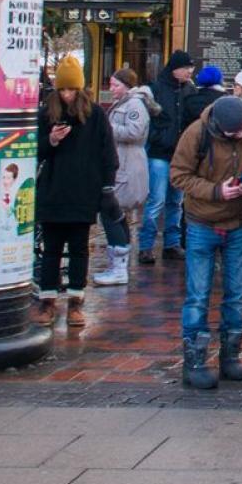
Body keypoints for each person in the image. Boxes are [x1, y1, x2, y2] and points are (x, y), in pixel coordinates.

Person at [170, 90, 242, 389]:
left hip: (240, 221)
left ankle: (230, 357)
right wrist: (216, 191)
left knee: (236, 294)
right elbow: (179, 175)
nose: (238, 136)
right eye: (231, 133)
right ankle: (195, 362)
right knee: (198, 295)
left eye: (241, 132)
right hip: (202, 222)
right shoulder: (197, 132)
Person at [36, 54, 120, 329]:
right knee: (51, 249)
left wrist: (106, 186)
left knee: (79, 249)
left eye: (71, 89)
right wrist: (51, 140)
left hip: (84, 191)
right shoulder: (47, 113)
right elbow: (34, 152)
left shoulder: (94, 115)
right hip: (53, 190)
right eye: (62, 89)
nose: (67, 94)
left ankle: (75, 301)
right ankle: (47, 300)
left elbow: (108, 152)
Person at [92, 68, 150, 287]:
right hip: (122, 164)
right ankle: (118, 265)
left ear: (126, 85)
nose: (111, 88)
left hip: (127, 165)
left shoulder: (134, 104)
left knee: (112, 212)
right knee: (117, 214)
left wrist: (107, 128)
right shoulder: (124, 103)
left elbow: (134, 132)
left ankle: (118, 267)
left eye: (115, 84)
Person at [139, 50, 196, 264]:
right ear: (175, 69)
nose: (190, 72)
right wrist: (157, 137)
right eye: (186, 68)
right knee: (156, 200)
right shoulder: (157, 89)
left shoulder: (189, 90)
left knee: (176, 201)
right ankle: (146, 246)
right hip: (159, 153)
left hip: (181, 155)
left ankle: (172, 243)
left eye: (191, 68)